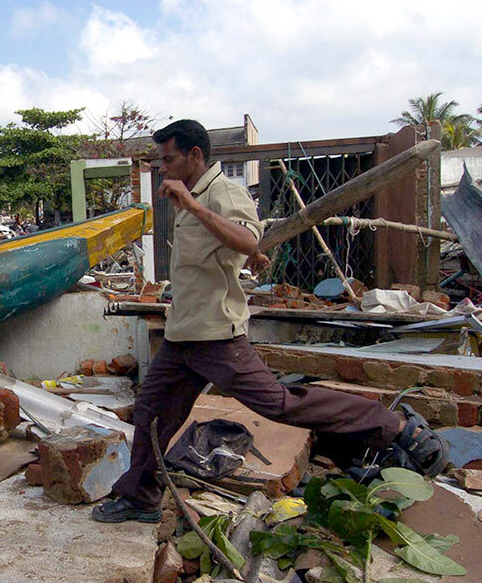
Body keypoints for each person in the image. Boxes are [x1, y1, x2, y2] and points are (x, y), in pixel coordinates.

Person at [93, 119, 446, 523]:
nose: (164, 168)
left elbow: (247, 239)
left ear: (195, 155)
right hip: (182, 334)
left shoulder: (222, 193)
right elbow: (227, 249)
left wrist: (198, 211)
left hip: (214, 334)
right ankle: (140, 498)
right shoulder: (195, 195)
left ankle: (393, 427)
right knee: (152, 410)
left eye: (169, 159)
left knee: (277, 403)